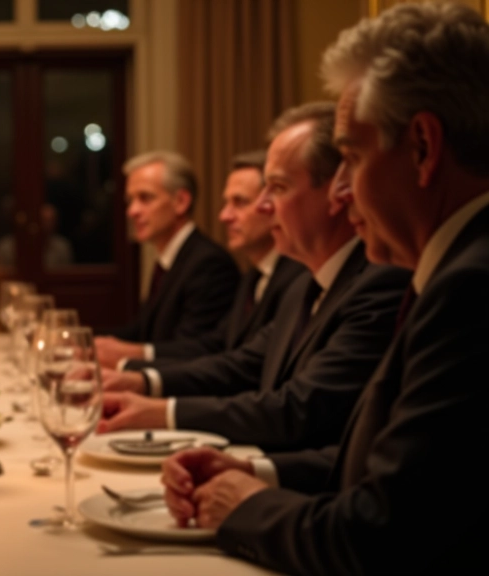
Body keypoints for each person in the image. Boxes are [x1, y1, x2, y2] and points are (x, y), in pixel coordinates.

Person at [160, 5, 489, 573]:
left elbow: (382, 535)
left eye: (353, 158)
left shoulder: (470, 290)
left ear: (423, 148)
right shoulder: (450, 271)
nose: (342, 190)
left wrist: (248, 506)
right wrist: (255, 473)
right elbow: (394, 472)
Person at [97, 102, 410, 451]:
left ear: (337, 191)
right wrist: (139, 381)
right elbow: (241, 365)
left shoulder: (380, 282)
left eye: (276, 187)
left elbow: (300, 409)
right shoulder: (303, 285)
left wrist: (161, 410)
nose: (263, 206)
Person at [119, 150, 307, 366]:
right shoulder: (253, 276)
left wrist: (140, 375)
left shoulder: (212, 264)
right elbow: (217, 345)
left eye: (240, 202)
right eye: (130, 200)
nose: (224, 216)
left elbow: (239, 363)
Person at [96, 151, 240, 367]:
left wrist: (127, 356)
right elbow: (141, 330)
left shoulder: (209, 264)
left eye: (145, 198)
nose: (132, 211)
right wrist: (82, 340)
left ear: (181, 201)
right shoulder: (169, 258)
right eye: (130, 200)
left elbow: (194, 351)